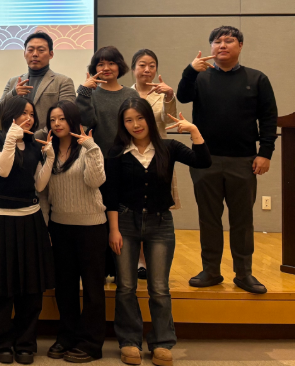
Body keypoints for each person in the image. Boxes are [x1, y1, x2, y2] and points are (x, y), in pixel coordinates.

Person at [106, 98, 211, 366]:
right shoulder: (117, 152)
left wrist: (194, 131)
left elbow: (203, 161)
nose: (135, 124)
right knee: (126, 286)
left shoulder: (168, 147)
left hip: (160, 223)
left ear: (149, 119)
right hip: (125, 223)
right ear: (122, 124)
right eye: (129, 120)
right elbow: (111, 195)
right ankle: (129, 341)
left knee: (160, 288)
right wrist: (114, 230)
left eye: (140, 118)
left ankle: (162, 343)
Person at [176, 25, 277, 295]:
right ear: (210, 47)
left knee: (242, 221)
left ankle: (244, 274)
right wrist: (190, 70)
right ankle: (210, 270)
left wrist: (265, 153)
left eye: (229, 40)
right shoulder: (200, 77)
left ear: (240, 46)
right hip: (205, 160)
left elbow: (268, 118)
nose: (222, 45)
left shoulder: (257, 78)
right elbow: (182, 96)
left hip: (244, 161)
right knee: (208, 218)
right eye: (217, 41)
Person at [0, 96, 54, 365]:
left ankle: (25, 343)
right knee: (2, 286)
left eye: (32, 114)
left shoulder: (34, 144)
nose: (29, 118)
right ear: (10, 115)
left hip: (30, 219)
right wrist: (11, 138)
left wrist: (49, 159)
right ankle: (1, 342)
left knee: (31, 288)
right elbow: (3, 170)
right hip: (0, 219)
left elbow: (39, 185)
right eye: (24, 113)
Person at [43, 101, 106, 363]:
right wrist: (46, 226)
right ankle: (66, 336)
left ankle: (91, 343)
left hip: (91, 227)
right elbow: (43, 192)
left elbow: (95, 181)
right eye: (52, 120)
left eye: (62, 118)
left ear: (73, 120)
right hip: (60, 226)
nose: (57, 124)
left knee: (92, 288)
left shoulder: (88, 148)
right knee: (65, 287)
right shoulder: (48, 150)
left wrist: (91, 148)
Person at [131, 49, 180, 279]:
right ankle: (139, 260)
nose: (147, 70)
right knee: (134, 209)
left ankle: (154, 258)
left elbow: (169, 120)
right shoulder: (125, 94)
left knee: (156, 209)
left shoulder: (162, 94)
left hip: (157, 156)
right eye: (142, 65)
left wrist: (169, 96)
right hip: (131, 157)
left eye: (152, 65)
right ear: (133, 68)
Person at [0, 31, 76, 133]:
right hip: (14, 139)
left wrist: (33, 138)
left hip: (47, 140)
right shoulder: (13, 81)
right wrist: (13, 93)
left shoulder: (63, 82)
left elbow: (67, 117)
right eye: (30, 50)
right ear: (24, 54)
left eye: (41, 50)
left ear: (51, 54)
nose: (35, 54)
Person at [76, 46, 140, 158]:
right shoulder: (89, 95)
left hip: (129, 155)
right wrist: (84, 92)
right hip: (97, 156)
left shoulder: (131, 94)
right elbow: (85, 122)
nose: (106, 68)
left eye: (111, 63)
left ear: (119, 66)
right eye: (101, 64)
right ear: (95, 68)